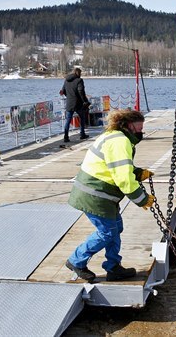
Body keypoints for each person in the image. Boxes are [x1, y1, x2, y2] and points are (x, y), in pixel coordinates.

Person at [65, 109, 155, 282]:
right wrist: (142, 199)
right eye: (140, 126)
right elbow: (123, 177)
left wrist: (138, 173)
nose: (142, 130)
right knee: (106, 232)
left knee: (115, 229)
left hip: (102, 195)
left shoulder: (114, 136)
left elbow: (116, 166)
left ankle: (113, 267)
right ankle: (76, 260)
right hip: (95, 195)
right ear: (129, 125)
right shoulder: (120, 141)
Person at [60, 68, 90, 142]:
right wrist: (85, 101)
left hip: (69, 103)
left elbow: (62, 91)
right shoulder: (79, 80)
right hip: (78, 103)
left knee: (68, 120)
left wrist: (69, 97)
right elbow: (81, 92)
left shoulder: (66, 80)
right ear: (78, 73)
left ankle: (66, 136)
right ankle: (82, 134)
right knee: (82, 118)